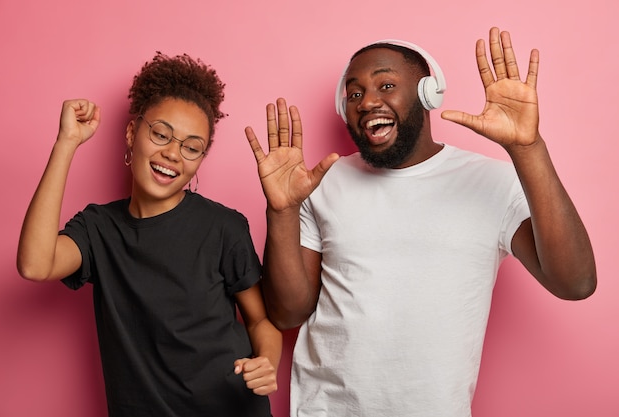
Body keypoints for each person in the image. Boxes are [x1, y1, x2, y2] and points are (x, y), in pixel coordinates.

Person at [244, 27, 596, 416]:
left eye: (386, 85)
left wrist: (528, 149)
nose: (366, 102)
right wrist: (281, 211)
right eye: (355, 93)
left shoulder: (491, 182)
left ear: (428, 93)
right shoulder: (322, 184)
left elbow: (575, 282)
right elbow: (287, 313)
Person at [17, 52, 281, 417]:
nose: (173, 153)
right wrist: (66, 144)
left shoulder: (224, 227)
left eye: (191, 147)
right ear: (132, 132)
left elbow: (260, 321)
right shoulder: (99, 229)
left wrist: (266, 362)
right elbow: (35, 264)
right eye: (161, 134)